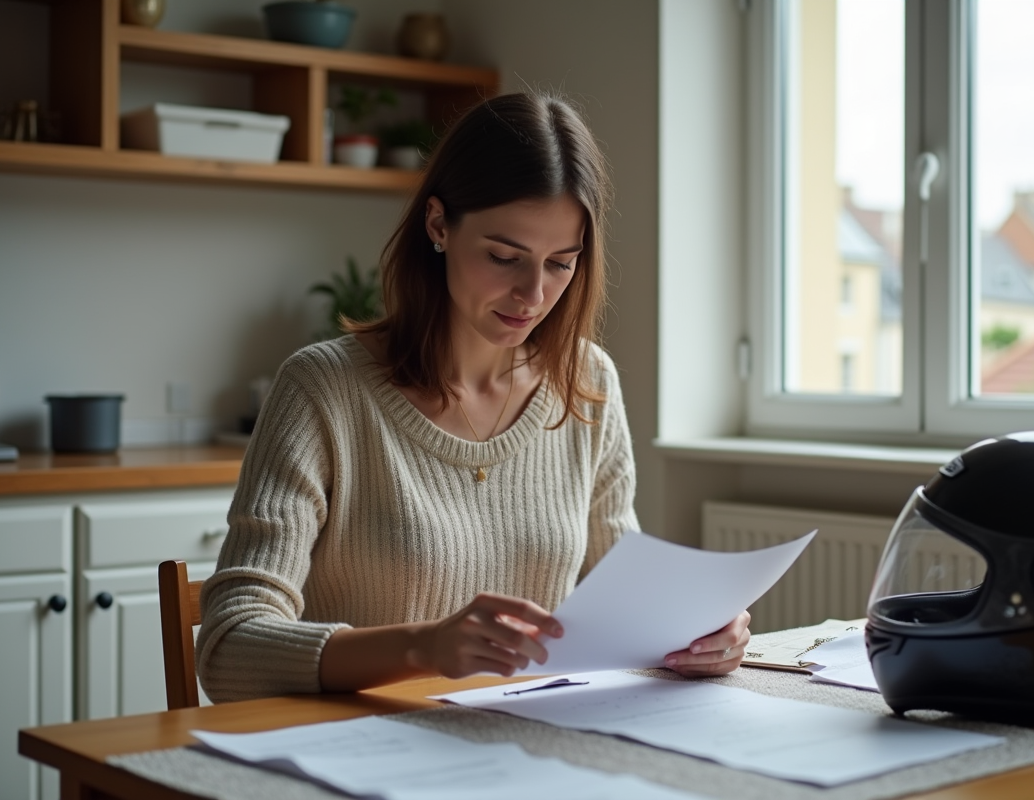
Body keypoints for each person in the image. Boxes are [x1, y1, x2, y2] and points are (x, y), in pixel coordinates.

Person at [196, 92, 751, 703]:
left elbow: (624, 603)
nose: (533, 294)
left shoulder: (586, 384)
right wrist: (422, 647)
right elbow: (229, 649)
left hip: (533, 744)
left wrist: (694, 635)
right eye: (503, 257)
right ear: (438, 224)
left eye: (561, 264)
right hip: (358, 754)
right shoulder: (323, 390)